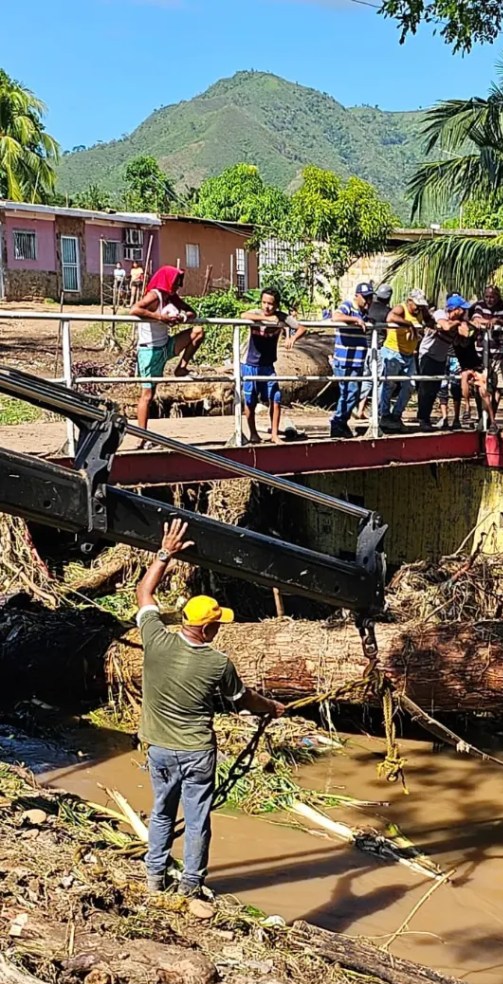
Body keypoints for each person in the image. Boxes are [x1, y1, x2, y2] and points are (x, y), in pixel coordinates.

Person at [135, 519, 285, 898]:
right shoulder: (218, 664)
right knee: (197, 818)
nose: (219, 628)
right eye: (217, 623)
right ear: (205, 630)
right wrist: (272, 707)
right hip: (197, 753)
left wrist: (165, 554)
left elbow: (144, 591)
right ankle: (190, 884)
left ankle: (154, 877)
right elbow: (244, 700)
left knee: (162, 812)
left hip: (159, 748)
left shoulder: (155, 638)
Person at [131, 266, 205, 433]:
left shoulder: (170, 297)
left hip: (166, 345)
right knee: (147, 395)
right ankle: (141, 437)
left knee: (198, 332)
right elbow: (134, 309)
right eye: (176, 282)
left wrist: (182, 317)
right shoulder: (154, 295)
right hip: (150, 351)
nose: (179, 286)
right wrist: (160, 317)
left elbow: (191, 312)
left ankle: (181, 368)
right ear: (167, 281)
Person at [239, 287, 306, 444]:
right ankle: (253, 434)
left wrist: (292, 338)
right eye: (264, 302)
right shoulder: (256, 313)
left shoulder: (282, 317)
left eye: (270, 304)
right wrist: (266, 319)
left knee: (275, 398)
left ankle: (274, 435)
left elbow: (302, 328)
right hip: (249, 363)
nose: (266, 307)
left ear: (276, 305)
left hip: (267, 365)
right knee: (250, 401)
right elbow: (243, 315)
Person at [329, 282, 374, 438]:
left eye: (370, 297)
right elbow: (335, 317)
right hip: (345, 360)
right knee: (349, 392)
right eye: (365, 297)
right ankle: (337, 422)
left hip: (357, 360)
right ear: (357, 296)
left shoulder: (364, 312)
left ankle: (340, 422)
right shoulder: (348, 306)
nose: (368, 301)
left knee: (352, 393)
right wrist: (355, 320)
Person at [380, 287, 430, 426]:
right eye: (417, 305)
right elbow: (390, 317)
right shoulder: (401, 308)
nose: (419, 308)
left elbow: (429, 320)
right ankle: (384, 415)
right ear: (409, 301)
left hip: (409, 354)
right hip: (393, 352)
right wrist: (409, 324)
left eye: (421, 305)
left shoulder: (421, 311)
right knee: (389, 385)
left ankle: (397, 415)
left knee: (410, 385)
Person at [416, 295, 467, 431]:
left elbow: (464, 336)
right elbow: (445, 326)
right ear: (455, 309)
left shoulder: (460, 321)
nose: (464, 312)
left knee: (434, 389)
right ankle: (423, 419)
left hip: (441, 357)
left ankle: (426, 419)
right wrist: (457, 323)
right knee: (426, 388)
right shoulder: (440, 313)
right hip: (428, 355)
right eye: (462, 309)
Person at [448, 293, 498, 430]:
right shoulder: (452, 325)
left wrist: (473, 326)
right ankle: (467, 408)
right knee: (464, 377)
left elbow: (471, 333)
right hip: (464, 365)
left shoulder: (468, 325)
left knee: (484, 390)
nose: (466, 311)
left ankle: (492, 421)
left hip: (475, 363)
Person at [354, 282, 394, 421]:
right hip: (378, 349)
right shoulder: (388, 312)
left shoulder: (368, 309)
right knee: (379, 381)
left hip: (366, 348)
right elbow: (389, 332)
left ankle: (359, 409)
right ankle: (375, 414)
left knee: (367, 380)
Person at [470, 284, 503, 402]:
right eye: (487, 297)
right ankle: (481, 412)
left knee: (498, 386)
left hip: (500, 353)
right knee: (479, 384)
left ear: (498, 296)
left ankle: (492, 412)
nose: (489, 300)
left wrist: (498, 321)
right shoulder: (480, 305)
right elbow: (476, 319)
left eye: (492, 297)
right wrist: (489, 321)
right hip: (481, 351)